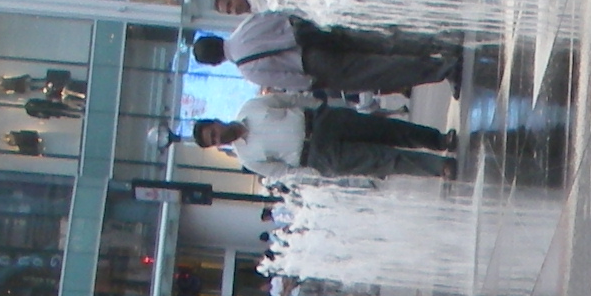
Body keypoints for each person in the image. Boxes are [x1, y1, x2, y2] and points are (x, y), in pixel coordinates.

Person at [192, 97, 456, 181]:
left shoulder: (251, 107)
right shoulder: (248, 158)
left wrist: (321, 108)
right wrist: (316, 170)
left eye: (213, 132)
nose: (218, 138)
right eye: (214, 141)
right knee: (382, 160)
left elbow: (289, 100)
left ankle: (439, 140)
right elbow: (283, 172)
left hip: (323, 122)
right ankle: (438, 167)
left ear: (216, 122)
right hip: (318, 156)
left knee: (387, 129)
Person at [192, 16, 461, 98]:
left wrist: (317, 84)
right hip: (317, 34)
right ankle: (441, 44)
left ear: (216, 62)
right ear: (215, 38)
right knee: (383, 44)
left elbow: (292, 80)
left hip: (316, 65)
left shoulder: (248, 70)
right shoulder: (244, 26)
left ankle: (443, 69)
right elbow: (280, 15)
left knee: (381, 70)